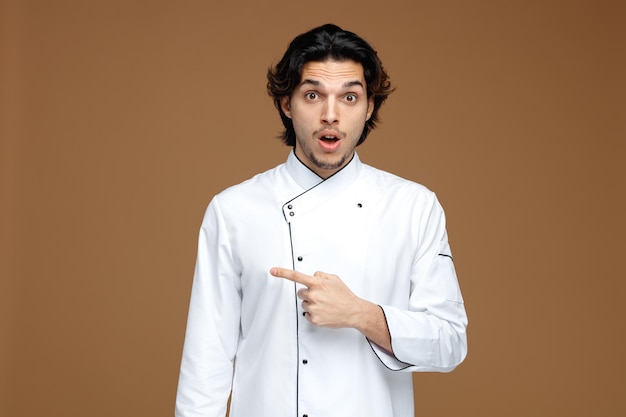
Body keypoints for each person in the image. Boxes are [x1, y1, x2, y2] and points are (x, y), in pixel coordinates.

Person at [175, 23, 468, 417]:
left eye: (349, 97)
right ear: (286, 103)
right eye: (313, 95)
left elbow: (450, 342)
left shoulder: (413, 207)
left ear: (369, 108)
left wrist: (360, 314)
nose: (330, 115)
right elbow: (205, 365)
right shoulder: (234, 210)